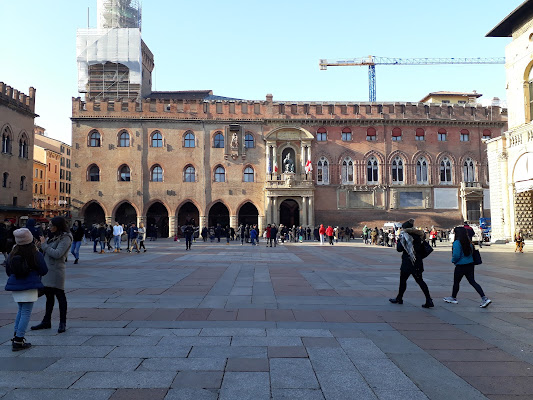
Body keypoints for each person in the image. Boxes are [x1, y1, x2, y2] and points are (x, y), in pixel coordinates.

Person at [4, 228, 48, 351]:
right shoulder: (35, 253)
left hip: (16, 286)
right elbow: (44, 270)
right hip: (30, 285)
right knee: (26, 312)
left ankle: (16, 335)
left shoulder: (13, 253)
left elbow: (8, 270)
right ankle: (19, 340)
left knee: (21, 309)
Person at [33, 216, 73, 333]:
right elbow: (48, 251)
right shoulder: (54, 236)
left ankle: (62, 323)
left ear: (58, 226)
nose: (49, 228)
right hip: (47, 270)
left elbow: (58, 254)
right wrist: (40, 246)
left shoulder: (66, 237)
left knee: (60, 295)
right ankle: (46, 321)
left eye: (51, 225)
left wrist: (44, 245)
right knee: (49, 296)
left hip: (56, 271)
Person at [389, 219, 434, 308]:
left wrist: (399, 240)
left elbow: (399, 249)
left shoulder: (405, 236)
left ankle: (399, 298)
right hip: (417, 262)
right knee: (420, 280)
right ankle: (428, 300)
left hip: (407, 262)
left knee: (403, 281)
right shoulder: (419, 236)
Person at [444, 226, 492, 308]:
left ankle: (453, 297)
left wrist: (454, 261)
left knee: (456, 282)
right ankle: (484, 298)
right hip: (470, 264)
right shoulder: (469, 242)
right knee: (472, 281)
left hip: (460, 265)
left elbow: (456, 255)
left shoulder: (457, 243)